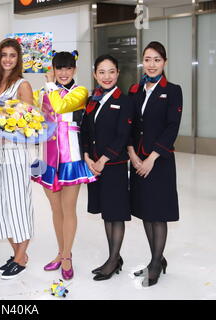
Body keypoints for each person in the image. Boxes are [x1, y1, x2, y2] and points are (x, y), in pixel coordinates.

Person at [31, 51, 95, 280]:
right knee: (55, 209)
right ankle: (60, 252)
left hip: (71, 157)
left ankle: (67, 256)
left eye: (68, 68)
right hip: (47, 156)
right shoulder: (42, 92)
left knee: (69, 209)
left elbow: (59, 106)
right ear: (54, 69)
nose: (64, 73)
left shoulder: (80, 91)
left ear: (74, 70)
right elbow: (36, 115)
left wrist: (49, 85)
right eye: (60, 68)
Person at [127, 41, 182, 287]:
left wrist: (151, 158)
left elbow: (172, 128)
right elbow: (129, 125)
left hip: (159, 162)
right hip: (138, 161)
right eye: (147, 59)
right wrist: (133, 155)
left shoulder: (173, 90)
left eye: (157, 60)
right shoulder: (135, 91)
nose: (151, 64)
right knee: (146, 212)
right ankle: (155, 259)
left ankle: (156, 264)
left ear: (164, 62)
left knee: (158, 214)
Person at [0, 38, 34, 280]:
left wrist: (4, 134)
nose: (8, 59)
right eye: (4, 55)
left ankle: (19, 258)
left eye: (12, 55)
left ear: (18, 58)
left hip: (14, 153)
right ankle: (19, 255)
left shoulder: (22, 85)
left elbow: (28, 122)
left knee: (17, 205)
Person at [80, 54, 133, 281]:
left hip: (114, 166)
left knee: (116, 213)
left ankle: (113, 260)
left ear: (118, 73)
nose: (107, 76)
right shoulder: (93, 100)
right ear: (95, 74)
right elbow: (84, 130)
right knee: (106, 213)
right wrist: (86, 156)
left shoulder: (125, 100)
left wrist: (102, 159)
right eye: (101, 72)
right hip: (95, 166)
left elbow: (123, 135)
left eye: (111, 71)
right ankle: (114, 256)